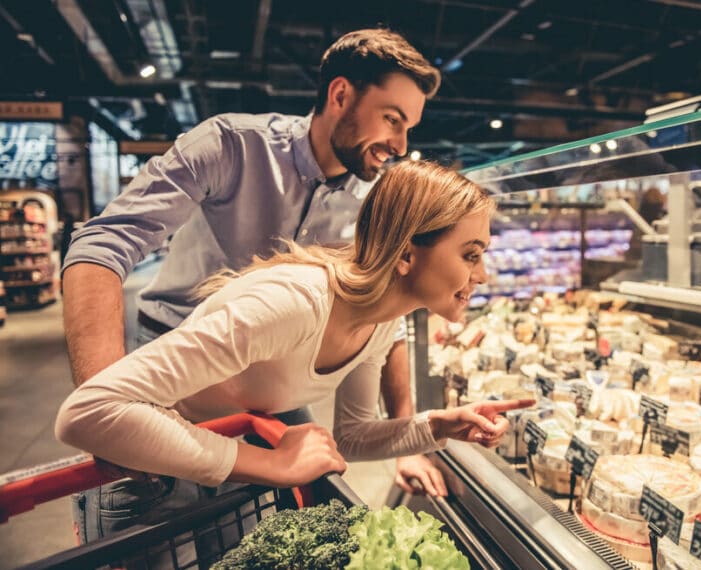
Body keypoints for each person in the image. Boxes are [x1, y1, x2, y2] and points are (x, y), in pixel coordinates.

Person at [61, 28, 447, 497]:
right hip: (176, 350)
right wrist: (107, 398)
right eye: (392, 119)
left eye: (409, 128)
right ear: (340, 95)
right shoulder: (231, 145)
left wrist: (405, 441)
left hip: (276, 375)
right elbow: (104, 242)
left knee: (316, 497)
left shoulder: (371, 203)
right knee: (161, 513)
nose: (401, 145)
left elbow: (390, 318)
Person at [55, 160, 533, 518]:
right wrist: (273, 465)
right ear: (407, 254)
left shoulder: (383, 319)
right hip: (144, 481)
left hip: (215, 476)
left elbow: (352, 437)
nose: (484, 275)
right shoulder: (294, 304)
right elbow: (89, 413)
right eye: (471, 255)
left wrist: (439, 426)